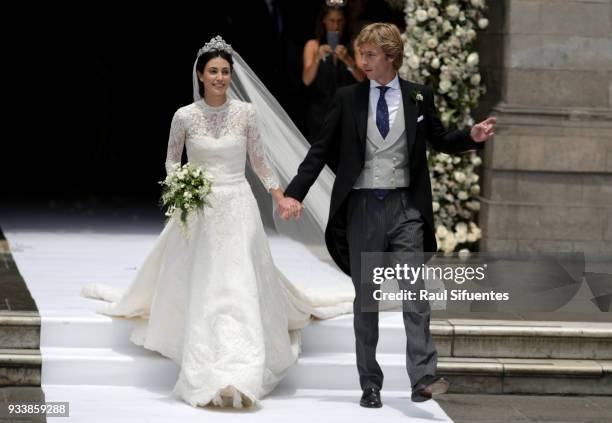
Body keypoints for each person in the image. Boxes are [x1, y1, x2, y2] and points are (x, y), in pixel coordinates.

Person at [81, 36, 353, 409]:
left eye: (225, 72)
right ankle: (204, 353)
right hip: (200, 208)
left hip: (238, 205)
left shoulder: (245, 113)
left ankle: (240, 364)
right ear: (200, 74)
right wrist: (180, 192)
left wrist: (280, 197)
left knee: (237, 280)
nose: (220, 78)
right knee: (204, 279)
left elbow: (259, 162)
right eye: (214, 71)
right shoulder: (184, 116)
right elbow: (172, 162)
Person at [278, 23, 496, 407]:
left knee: (415, 292)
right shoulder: (348, 99)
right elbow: (319, 152)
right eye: (361, 55)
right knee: (368, 298)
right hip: (362, 207)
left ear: (390, 58)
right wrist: (294, 194)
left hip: (405, 208)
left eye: (370, 55)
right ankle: (370, 383)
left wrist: (471, 137)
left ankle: (423, 377)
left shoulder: (417, 97)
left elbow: (441, 141)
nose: (362, 62)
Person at [302, 5, 365, 141]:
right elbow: (306, 80)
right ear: (324, 21)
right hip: (320, 115)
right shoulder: (313, 45)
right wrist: (318, 58)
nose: (335, 26)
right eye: (331, 20)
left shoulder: (355, 45)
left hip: (347, 114)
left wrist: (348, 60)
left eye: (340, 21)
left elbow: (363, 79)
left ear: (345, 22)